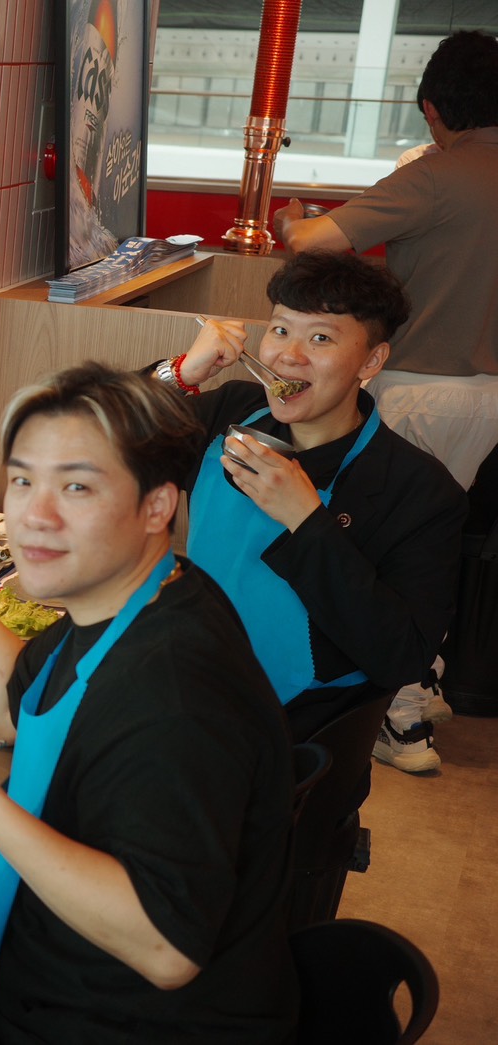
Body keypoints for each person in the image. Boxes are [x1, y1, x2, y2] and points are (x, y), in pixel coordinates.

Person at [0, 364, 296, 1044]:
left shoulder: (175, 689)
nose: (35, 516)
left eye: (76, 486)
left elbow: (167, 948)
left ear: (156, 506)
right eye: (23, 481)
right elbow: (10, 701)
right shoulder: (138, 596)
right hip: (51, 973)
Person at [163, 251, 464, 772]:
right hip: (186, 691)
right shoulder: (230, 412)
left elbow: (401, 656)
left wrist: (306, 522)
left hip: (298, 739)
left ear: (371, 361)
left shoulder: (419, 490)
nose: (289, 356)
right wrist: (183, 374)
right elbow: (95, 440)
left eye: (321, 338)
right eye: (280, 330)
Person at [273, 30, 498, 491]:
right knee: (447, 521)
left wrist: (290, 220)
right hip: (491, 402)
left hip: (419, 393)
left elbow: (309, 242)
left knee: (377, 520)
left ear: (431, 110)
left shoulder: (432, 176)